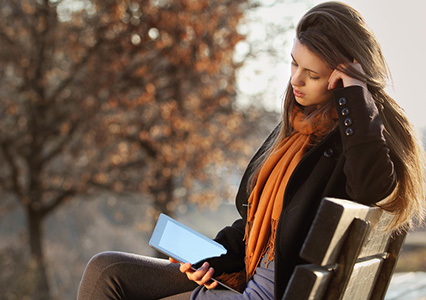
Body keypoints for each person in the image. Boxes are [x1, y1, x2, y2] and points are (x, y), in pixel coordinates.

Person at [76, 2, 426, 299]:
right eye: (294, 64)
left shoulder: (351, 141)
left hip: (260, 292)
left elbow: (372, 187)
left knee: (109, 282)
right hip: (244, 272)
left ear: (345, 78)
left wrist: (354, 98)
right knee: (107, 269)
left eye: (312, 74)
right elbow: (255, 225)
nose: (295, 80)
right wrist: (212, 258)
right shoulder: (297, 130)